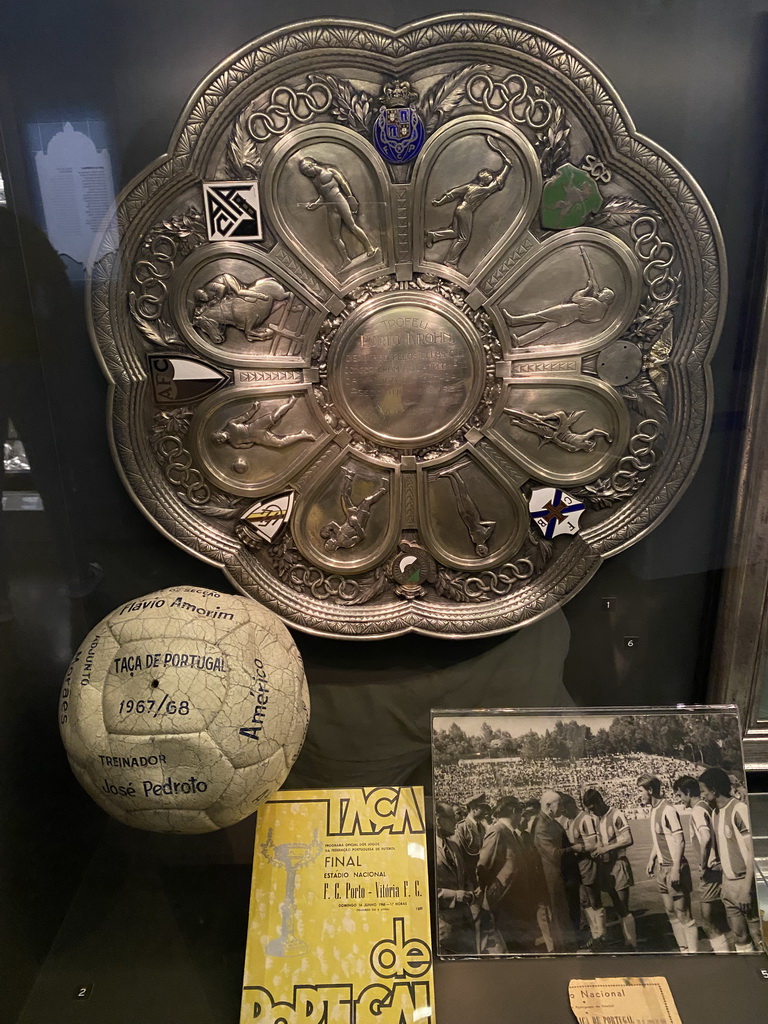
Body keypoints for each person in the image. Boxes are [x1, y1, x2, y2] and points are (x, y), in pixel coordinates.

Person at [698, 767, 761, 953]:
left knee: (759, 935)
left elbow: (753, 852)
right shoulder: (716, 813)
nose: (701, 795)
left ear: (714, 790)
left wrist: (745, 888)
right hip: (728, 884)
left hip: (745, 884)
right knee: (739, 936)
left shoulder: (739, 810)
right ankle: (748, 978)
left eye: (703, 790)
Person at [503, 246, 614, 346]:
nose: (599, 293)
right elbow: (585, 319)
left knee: (538, 315)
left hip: (566, 310)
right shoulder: (600, 315)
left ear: (607, 298)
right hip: (569, 319)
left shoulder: (594, 302)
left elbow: (576, 298)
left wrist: (587, 289)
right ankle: (520, 341)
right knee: (543, 330)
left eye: (603, 292)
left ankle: (514, 321)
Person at [425, 139, 512, 266]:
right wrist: (507, 167)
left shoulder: (471, 186)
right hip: (466, 211)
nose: (489, 174)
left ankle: (433, 235)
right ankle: (450, 261)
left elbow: (453, 193)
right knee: (464, 239)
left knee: (455, 232)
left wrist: (440, 202)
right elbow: (498, 182)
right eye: (486, 174)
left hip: (460, 208)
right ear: (482, 179)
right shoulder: (483, 190)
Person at [477, 795, 546, 953]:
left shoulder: (511, 832)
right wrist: (495, 890)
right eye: (520, 812)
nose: (522, 816)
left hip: (519, 901)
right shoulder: (497, 831)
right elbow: (483, 866)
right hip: (506, 903)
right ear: (515, 811)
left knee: (524, 945)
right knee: (515, 948)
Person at [638, 774, 699, 952]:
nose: (639, 794)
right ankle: (683, 949)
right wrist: (652, 858)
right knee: (670, 911)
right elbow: (660, 840)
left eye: (640, 790)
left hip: (674, 867)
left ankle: (695, 955)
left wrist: (675, 869)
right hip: (662, 868)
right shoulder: (653, 810)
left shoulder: (668, 810)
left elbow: (680, 840)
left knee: (683, 913)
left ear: (650, 790)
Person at [673, 775, 730, 953]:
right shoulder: (707, 807)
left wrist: (703, 864)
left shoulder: (698, 810)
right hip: (720, 868)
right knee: (721, 920)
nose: (680, 799)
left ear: (688, 792)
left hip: (711, 870)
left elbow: (705, 837)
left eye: (680, 795)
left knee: (707, 923)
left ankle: (725, 959)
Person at [583, 787, 637, 951]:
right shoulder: (598, 819)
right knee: (614, 905)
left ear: (599, 801)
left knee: (622, 907)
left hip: (618, 864)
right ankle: (624, 941)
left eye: (593, 808)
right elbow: (600, 842)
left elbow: (628, 838)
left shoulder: (616, 814)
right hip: (606, 867)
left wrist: (605, 849)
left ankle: (632, 945)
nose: (592, 812)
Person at [298, 156, 378, 265]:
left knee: (352, 226)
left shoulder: (330, 171)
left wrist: (350, 197)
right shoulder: (315, 180)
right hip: (331, 209)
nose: (307, 174)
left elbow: (343, 183)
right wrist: (315, 205)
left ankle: (369, 247)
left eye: (306, 170)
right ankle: (346, 259)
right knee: (335, 237)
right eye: (304, 173)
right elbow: (323, 196)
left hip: (340, 201)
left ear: (312, 165)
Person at [534, 789, 577, 951]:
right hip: (552, 877)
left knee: (562, 913)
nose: (562, 807)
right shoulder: (542, 826)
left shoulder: (551, 821)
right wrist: (575, 849)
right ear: (548, 806)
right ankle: (562, 949)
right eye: (559, 804)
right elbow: (553, 854)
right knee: (557, 914)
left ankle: (567, 946)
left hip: (560, 875)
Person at [435, 801, 477, 954]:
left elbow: (465, 877)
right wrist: (455, 895)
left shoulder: (454, 846)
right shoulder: (425, 850)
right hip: (445, 927)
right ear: (438, 821)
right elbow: (425, 889)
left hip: (465, 924)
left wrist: (470, 893)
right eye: (452, 818)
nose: (457, 822)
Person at [454, 791, 487, 887]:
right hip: (468, 877)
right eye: (482, 808)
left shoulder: (481, 827)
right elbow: (459, 857)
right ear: (474, 809)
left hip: (479, 875)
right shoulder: (461, 827)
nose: (485, 811)